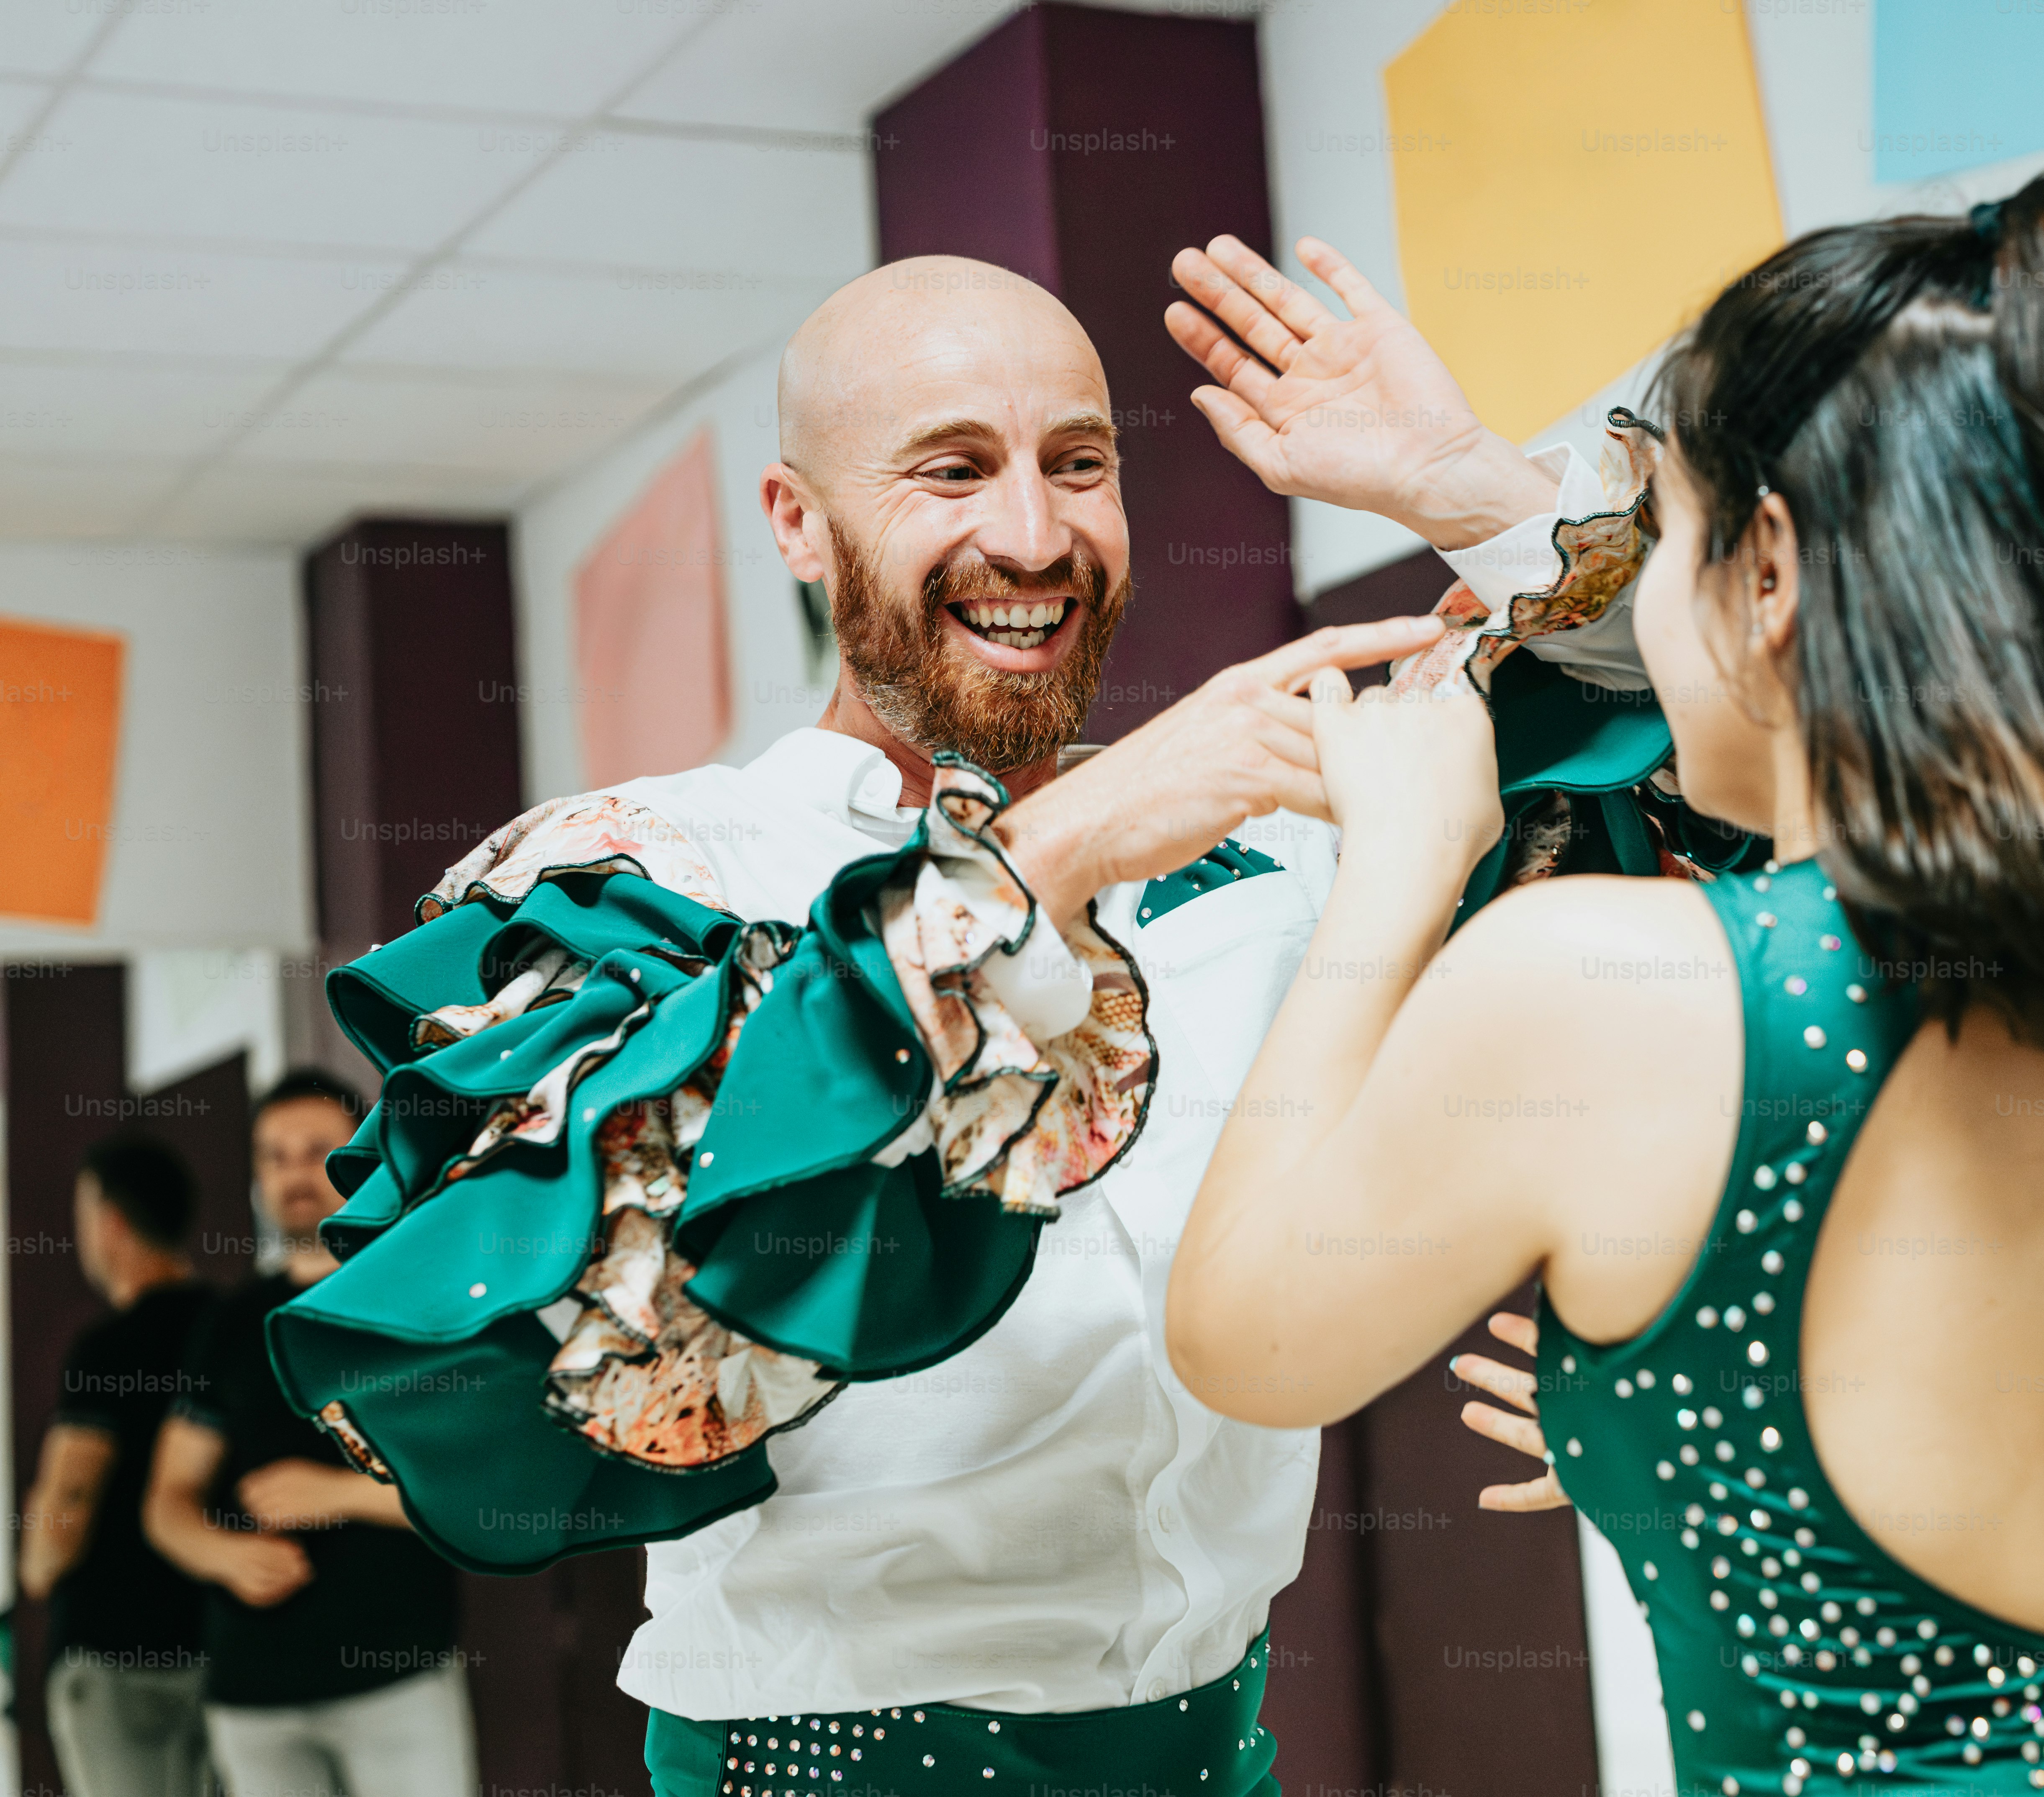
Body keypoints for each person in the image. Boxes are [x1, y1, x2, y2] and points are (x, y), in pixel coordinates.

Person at [276, 255, 1564, 1797]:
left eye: (1076, 464)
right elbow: (581, 1338)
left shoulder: (1274, 839)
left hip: (1216, 1748)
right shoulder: (631, 873)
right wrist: (1050, 859)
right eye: (950, 469)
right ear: (795, 521)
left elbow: (1714, 802)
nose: (1032, 534)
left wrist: (1475, 496)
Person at [1163, 174, 2044, 1797]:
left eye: (1659, 537)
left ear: (1770, 577)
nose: (1639, 602)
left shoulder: (1621, 988)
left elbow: (1239, 1335)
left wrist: (1395, 869)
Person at [144, 1069, 471, 1797]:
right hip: (251, 1694)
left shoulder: (415, 1304)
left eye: (316, 1151)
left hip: (397, 1677)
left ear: (362, 1157)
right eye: (275, 1155)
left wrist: (340, 1492)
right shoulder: (230, 1323)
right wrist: (219, 1552)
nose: (294, 1175)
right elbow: (167, 1502)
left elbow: (477, 1494)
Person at [23, 1135, 214, 1797]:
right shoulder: (228, 1328)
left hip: (114, 1651)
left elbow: (69, 1497)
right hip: (214, 1643)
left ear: (109, 1219)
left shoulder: (107, 1348)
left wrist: (37, 1565)